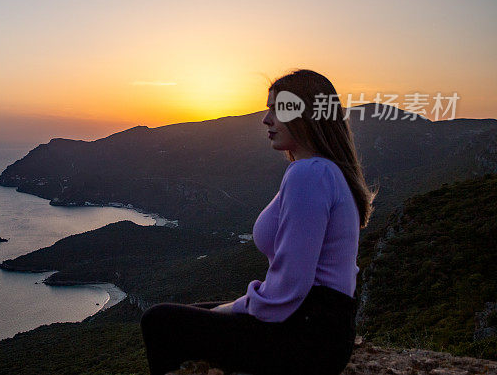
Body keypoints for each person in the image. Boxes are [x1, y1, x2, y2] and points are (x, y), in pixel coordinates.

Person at [140, 69, 376, 375]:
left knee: (159, 321)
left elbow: (292, 285)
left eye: (277, 109)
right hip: (321, 331)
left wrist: (236, 308)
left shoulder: (309, 174)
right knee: (194, 314)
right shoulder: (326, 171)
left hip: (306, 335)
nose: (266, 119)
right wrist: (237, 307)